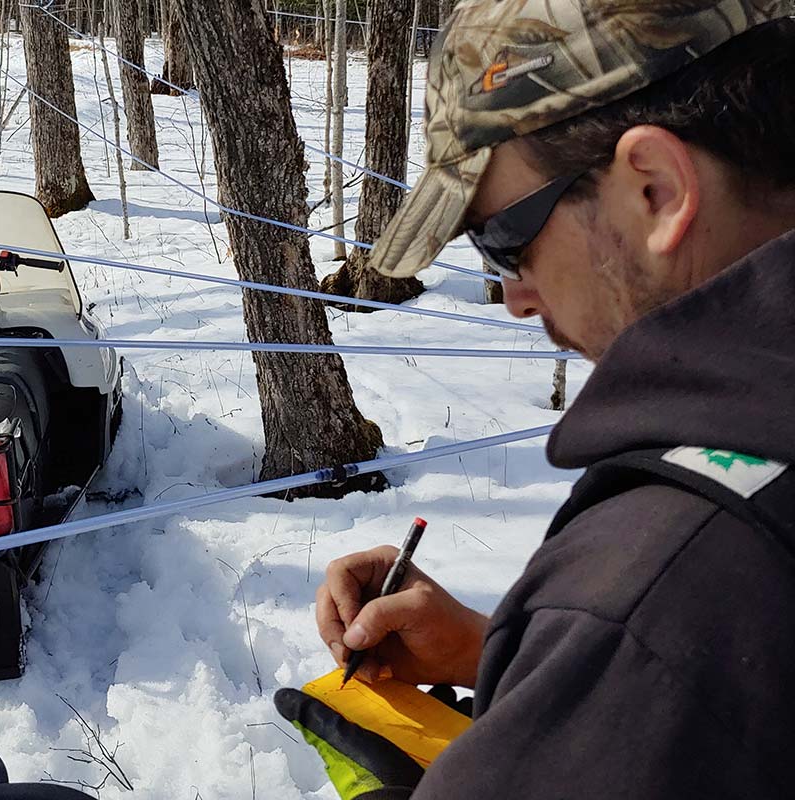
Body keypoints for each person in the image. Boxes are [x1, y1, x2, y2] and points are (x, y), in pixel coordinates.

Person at [280, 1, 795, 797]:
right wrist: (518, 657)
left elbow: (670, 647)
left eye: (503, 241)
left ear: (655, 190)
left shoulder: (667, 575)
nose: (514, 296)